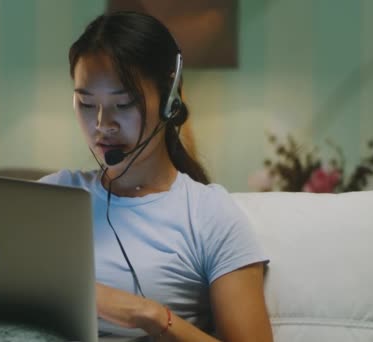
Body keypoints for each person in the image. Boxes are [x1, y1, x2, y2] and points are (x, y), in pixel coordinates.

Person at [38, 11, 273, 341]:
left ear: (169, 101)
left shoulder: (209, 214)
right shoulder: (49, 198)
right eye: (86, 104)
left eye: (123, 103)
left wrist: (149, 316)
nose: (103, 124)